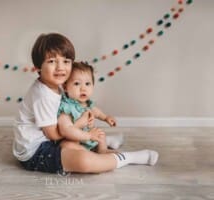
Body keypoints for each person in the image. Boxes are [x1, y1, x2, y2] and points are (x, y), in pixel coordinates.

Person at [12, 33, 159, 174]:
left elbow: (73, 116)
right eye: (52, 61)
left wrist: (89, 121)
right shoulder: (42, 96)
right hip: (35, 152)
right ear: (38, 67)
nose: (60, 67)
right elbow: (55, 136)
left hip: (49, 141)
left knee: (72, 145)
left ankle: (103, 143)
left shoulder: (57, 86)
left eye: (66, 61)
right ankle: (128, 158)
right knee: (84, 161)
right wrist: (81, 125)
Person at [57, 61, 123, 154]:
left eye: (87, 84)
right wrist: (84, 129)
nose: (83, 88)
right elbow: (66, 130)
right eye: (77, 84)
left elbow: (97, 112)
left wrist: (106, 117)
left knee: (100, 132)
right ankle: (89, 154)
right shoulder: (67, 107)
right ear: (65, 87)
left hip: (89, 137)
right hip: (75, 140)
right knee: (67, 144)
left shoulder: (87, 104)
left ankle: (102, 149)